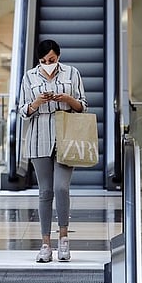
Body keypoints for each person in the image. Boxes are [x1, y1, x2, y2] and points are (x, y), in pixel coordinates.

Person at [18, 39, 88, 262]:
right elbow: (22, 111)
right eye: (43, 61)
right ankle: (45, 244)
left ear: (58, 56)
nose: (47, 64)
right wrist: (37, 103)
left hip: (66, 135)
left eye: (51, 60)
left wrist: (68, 99)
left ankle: (64, 239)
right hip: (39, 136)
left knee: (61, 188)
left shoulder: (72, 73)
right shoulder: (29, 76)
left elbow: (83, 105)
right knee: (45, 191)